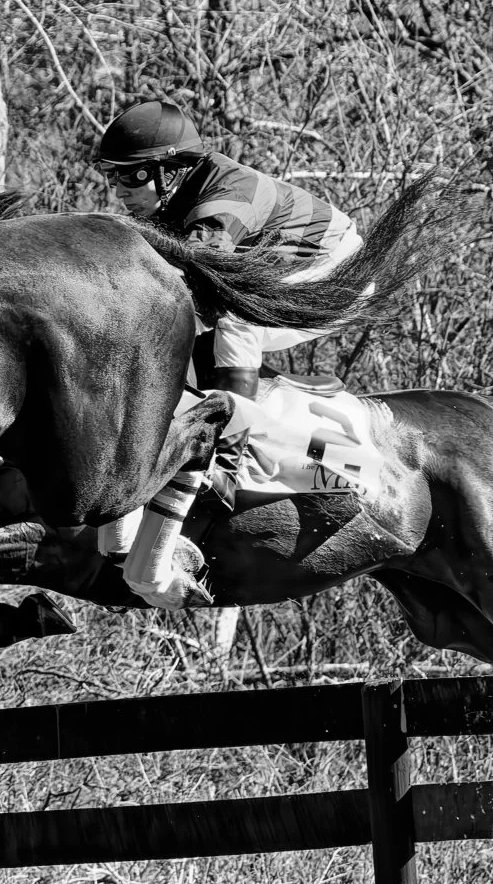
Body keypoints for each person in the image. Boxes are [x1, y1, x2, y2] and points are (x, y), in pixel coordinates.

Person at [91, 100, 363, 608]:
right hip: (281, 263)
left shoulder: (223, 199)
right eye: (113, 178)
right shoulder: (177, 198)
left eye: (130, 178)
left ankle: (224, 457)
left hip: (337, 273)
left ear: (170, 171)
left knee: (230, 313)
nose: (119, 191)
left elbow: (191, 289)